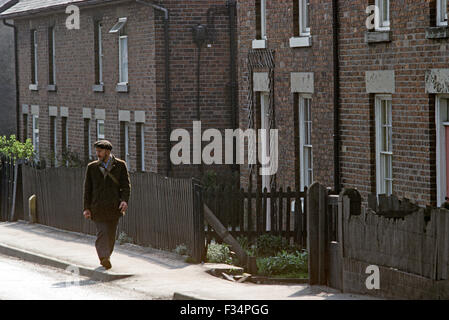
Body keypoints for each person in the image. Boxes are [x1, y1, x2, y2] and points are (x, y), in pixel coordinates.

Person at [83, 140, 131, 270]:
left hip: (113, 207)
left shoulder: (120, 165)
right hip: (97, 207)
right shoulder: (92, 167)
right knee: (102, 232)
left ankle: (106, 257)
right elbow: (87, 189)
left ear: (107, 152)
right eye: (97, 151)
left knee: (110, 235)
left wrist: (124, 200)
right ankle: (103, 257)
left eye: (100, 151)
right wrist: (86, 208)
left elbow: (125, 186)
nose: (97, 154)